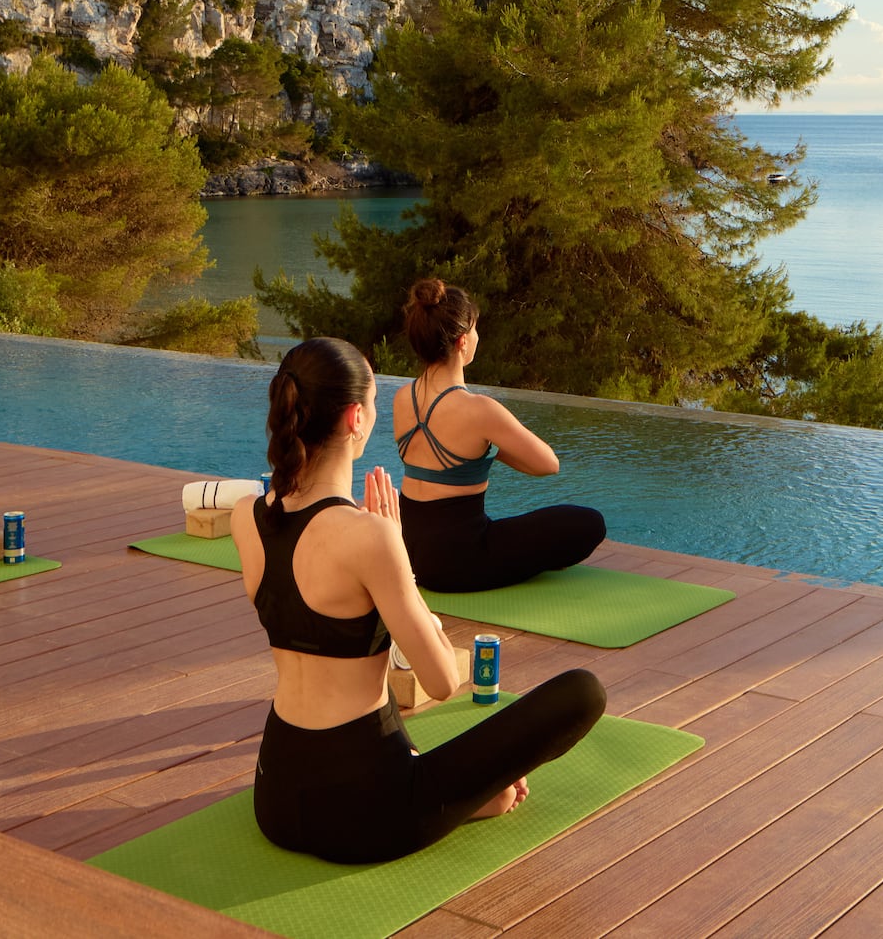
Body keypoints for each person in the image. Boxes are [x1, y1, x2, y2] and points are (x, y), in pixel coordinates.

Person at [236, 336, 606, 864]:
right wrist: (400, 566)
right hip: (365, 816)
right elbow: (442, 681)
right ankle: (460, 799)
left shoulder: (247, 516)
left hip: (273, 797)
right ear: (353, 419)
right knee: (583, 693)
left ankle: (447, 787)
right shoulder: (369, 537)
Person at [391, 278, 606, 592]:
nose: (479, 337)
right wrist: (490, 444)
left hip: (411, 557)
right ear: (462, 341)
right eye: (476, 329)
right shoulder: (479, 410)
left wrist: (484, 447)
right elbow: (548, 464)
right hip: (462, 563)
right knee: (588, 523)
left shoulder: (402, 399)